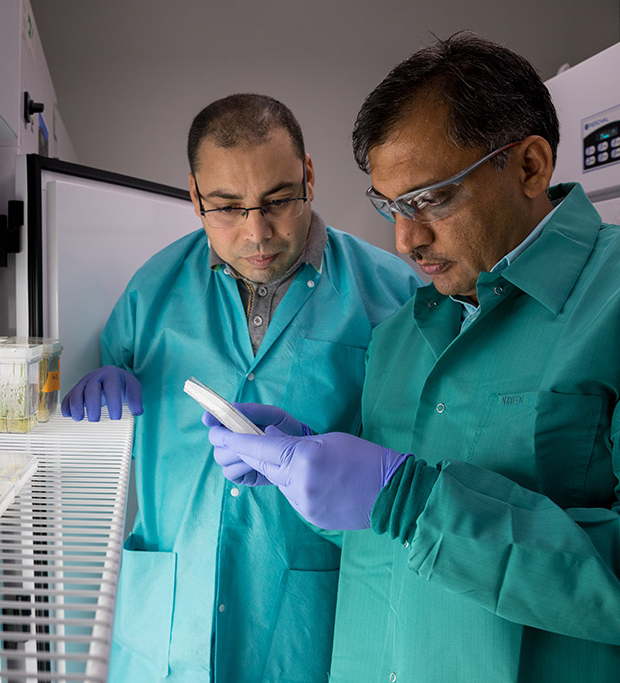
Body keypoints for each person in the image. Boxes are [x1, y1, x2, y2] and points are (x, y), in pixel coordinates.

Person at [207, 34, 620, 681]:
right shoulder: (402, 332)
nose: (406, 240)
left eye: (431, 198)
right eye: (392, 206)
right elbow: (386, 536)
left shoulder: (611, 300)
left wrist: (409, 497)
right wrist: (310, 472)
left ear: (531, 166)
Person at [61, 94, 420, 682]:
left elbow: (420, 466)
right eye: (227, 207)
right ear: (195, 196)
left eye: (277, 201)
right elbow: (112, 439)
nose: (257, 232)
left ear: (308, 175)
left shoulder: (391, 293)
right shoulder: (150, 291)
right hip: (166, 625)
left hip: (308, 623)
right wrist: (102, 388)